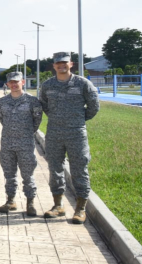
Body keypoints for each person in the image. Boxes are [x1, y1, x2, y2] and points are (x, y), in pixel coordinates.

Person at [40, 51, 99, 224]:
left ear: (71, 64)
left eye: (64, 62)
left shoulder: (83, 84)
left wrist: (78, 119)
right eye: (58, 63)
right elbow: (44, 104)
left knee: (79, 168)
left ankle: (80, 208)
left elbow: (94, 106)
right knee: (55, 168)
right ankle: (58, 205)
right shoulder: (48, 85)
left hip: (76, 133)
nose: (61, 65)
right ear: (54, 65)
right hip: (54, 133)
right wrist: (58, 118)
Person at [0, 72, 42, 216]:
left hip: (25, 144)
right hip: (7, 143)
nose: (14, 85)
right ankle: (10, 201)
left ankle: (30, 203)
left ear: (22, 82)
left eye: (17, 82)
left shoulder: (32, 101)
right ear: (7, 84)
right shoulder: (2, 102)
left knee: (27, 175)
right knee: (9, 174)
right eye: (11, 82)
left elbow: (37, 121)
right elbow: (1, 118)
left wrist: (25, 133)